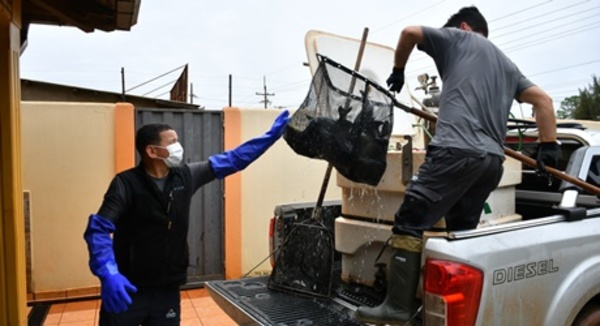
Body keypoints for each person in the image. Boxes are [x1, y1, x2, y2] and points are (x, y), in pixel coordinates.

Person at [355, 6, 558, 324]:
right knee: (462, 231)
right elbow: (544, 101)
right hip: (491, 162)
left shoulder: (458, 38)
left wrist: (398, 69)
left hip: (455, 152)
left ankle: (396, 308)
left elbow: (409, 33)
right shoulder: (508, 65)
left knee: (409, 219)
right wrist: (549, 146)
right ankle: (459, 311)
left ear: (464, 26)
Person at [84, 110, 290, 325]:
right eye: (172, 142)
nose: (178, 147)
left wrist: (270, 137)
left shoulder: (186, 176)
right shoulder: (125, 184)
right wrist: (109, 273)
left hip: (167, 289)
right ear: (152, 151)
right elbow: (98, 229)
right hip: (128, 289)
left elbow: (234, 159)